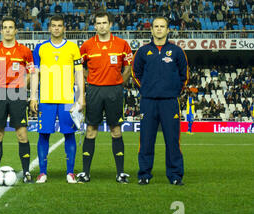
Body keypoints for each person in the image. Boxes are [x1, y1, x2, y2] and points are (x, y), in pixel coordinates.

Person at [77, 10, 133, 183]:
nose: (101, 26)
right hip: (94, 91)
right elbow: (80, 68)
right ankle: (86, 173)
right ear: (95, 26)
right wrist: (91, 80)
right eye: (98, 23)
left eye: (104, 23)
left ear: (110, 24)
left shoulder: (122, 44)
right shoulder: (86, 46)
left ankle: (120, 173)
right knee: (91, 130)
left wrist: (118, 83)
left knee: (116, 130)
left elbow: (128, 68)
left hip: (114, 92)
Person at [132, 16, 189, 186]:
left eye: (162, 26)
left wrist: (174, 92)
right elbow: (136, 73)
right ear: (151, 30)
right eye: (155, 26)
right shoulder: (142, 51)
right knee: (146, 140)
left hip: (169, 102)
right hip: (148, 101)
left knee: (172, 140)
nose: (158, 29)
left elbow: (184, 75)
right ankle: (144, 174)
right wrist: (145, 89)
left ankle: (175, 175)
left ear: (167, 29)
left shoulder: (177, 51)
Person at [30, 14, 85, 184]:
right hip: (45, 99)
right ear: (49, 28)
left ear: (64, 28)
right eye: (53, 25)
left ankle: (70, 173)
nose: (56, 28)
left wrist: (81, 96)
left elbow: (79, 73)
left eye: (59, 25)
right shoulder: (40, 48)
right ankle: (42, 172)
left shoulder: (73, 47)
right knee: (43, 134)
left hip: (67, 99)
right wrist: (33, 96)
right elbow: (34, 73)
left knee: (69, 135)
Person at [0, 16, 36, 184]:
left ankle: (27, 172)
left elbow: (31, 73)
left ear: (16, 31)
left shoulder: (25, 51)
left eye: (10, 27)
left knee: (22, 134)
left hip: (18, 94)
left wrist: (21, 85)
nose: (7, 30)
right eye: (4, 27)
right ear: (1, 30)